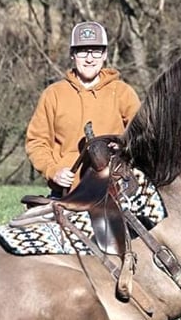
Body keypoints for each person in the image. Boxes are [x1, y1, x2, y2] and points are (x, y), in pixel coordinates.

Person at [26, 21, 141, 197]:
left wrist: (123, 149)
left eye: (96, 51)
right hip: (68, 192)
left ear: (105, 55)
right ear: (73, 54)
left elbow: (142, 135)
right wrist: (53, 170)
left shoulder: (122, 92)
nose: (89, 58)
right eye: (82, 51)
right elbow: (36, 142)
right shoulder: (54, 94)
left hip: (117, 190)